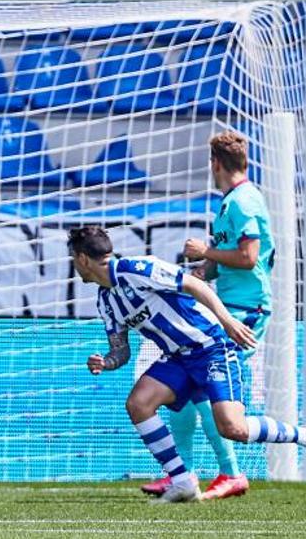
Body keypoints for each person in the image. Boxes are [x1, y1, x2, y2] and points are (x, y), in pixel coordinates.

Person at [69, 225, 303, 503]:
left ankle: (300, 434)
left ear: (83, 259)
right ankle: (182, 481)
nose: (75, 267)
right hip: (178, 358)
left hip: (212, 347)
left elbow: (194, 284)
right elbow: (121, 351)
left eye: (73, 259)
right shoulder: (106, 301)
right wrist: (106, 362)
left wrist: (227, 322)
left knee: (233, 428)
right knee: (138, 404)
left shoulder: (135, 268)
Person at [140, 131, 274, 500]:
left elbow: (248, 258)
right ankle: (180, 472)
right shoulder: (233, 201)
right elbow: (233, 261)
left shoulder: (244, 203)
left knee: (204, 386)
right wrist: (197, 274)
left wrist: (207, 251)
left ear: (215, 163)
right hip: (229, 303)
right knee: (182, 390)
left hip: (246, 309)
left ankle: (231, 473)